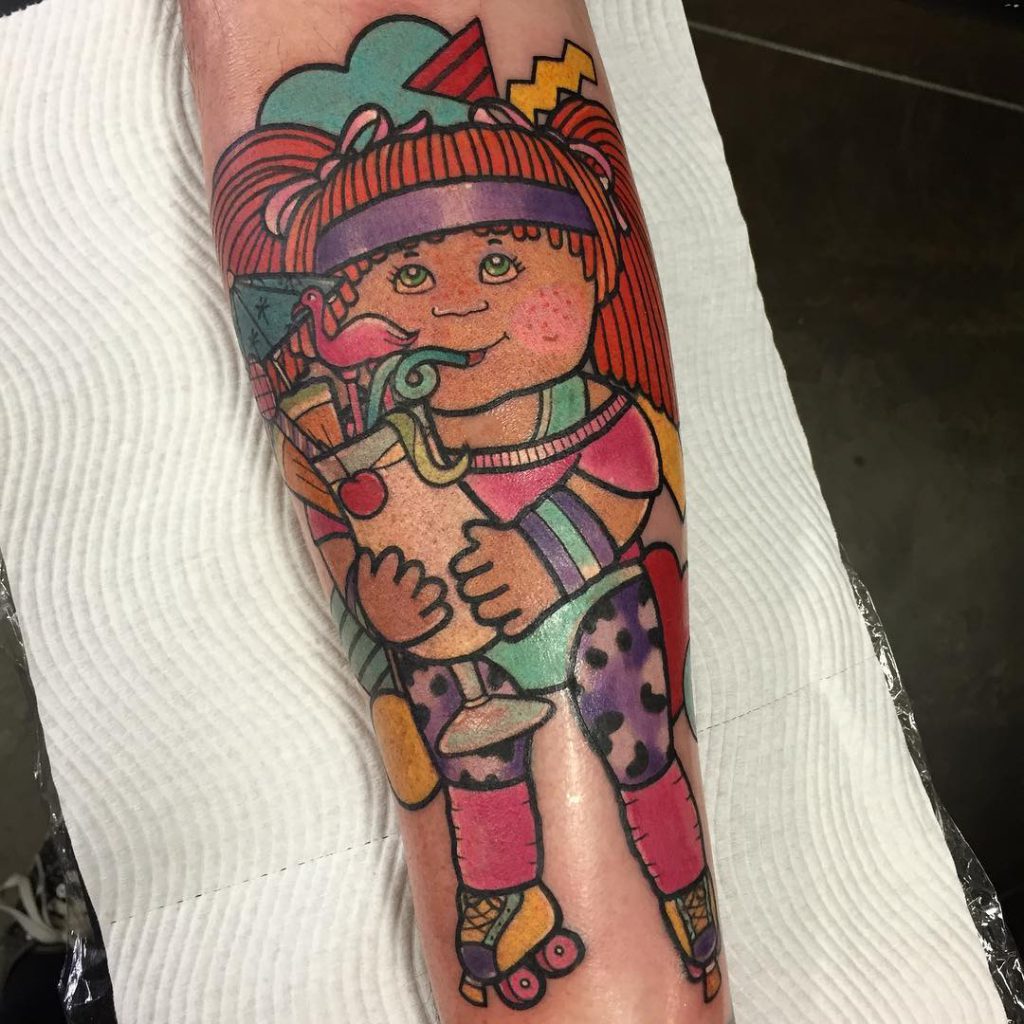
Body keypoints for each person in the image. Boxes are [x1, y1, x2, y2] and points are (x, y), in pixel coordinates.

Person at [184, 2, 733, 1019]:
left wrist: (539, 562)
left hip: (592, 623)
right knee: (471, 765)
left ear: (588, 271)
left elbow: (616, 483)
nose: (454, 303)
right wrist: (387, 605)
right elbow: (379, 552)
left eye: (501, 262)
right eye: (405, 275)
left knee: (639, 752)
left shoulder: (593, 417)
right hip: (462, 654)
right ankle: (505, 904)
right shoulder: (390, 441)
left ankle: (674, 898)